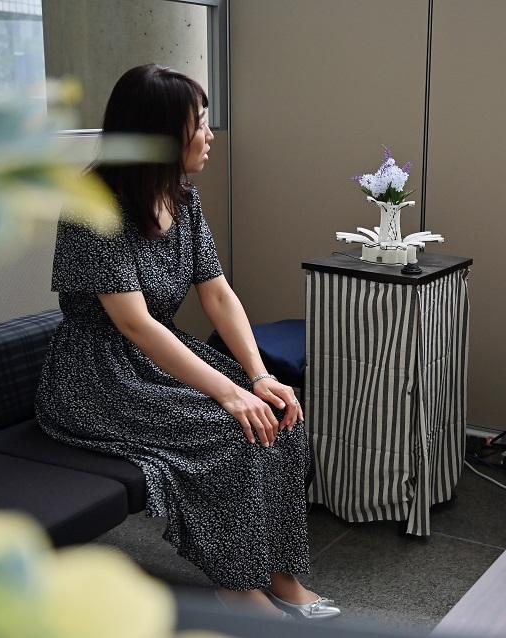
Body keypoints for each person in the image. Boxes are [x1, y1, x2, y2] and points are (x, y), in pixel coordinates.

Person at [35, 64, 339, 620]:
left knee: (279, 411)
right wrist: (228, 393)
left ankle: (280, 572)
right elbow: (133, 324)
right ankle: (237, 587)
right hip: (98, 376)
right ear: (158, 135)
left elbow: (218, 295)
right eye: (198, 123)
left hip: (157, 357)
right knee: (233, 428)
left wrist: (258, 376)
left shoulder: (182, 197)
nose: (209, 134)